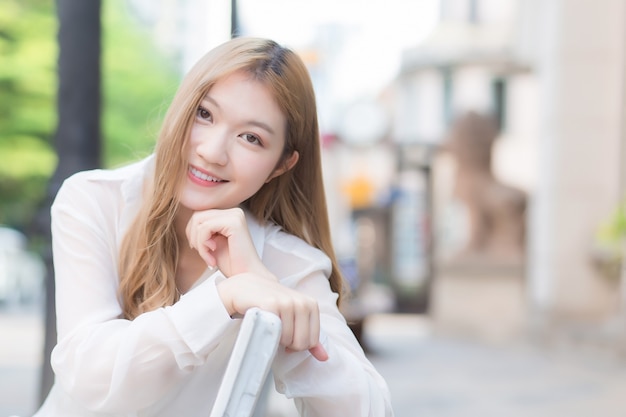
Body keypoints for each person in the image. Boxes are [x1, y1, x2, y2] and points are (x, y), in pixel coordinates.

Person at [33, 37, 393, 417]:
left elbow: (367, 410)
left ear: (281, 165)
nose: (212, 151)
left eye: (251, 138)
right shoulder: (95, 201)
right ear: (181, 106)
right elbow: (87, 382)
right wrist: (224, 299)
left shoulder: (285, 263)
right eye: (204, 114)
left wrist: (265, 287)